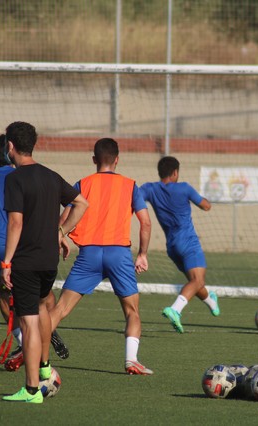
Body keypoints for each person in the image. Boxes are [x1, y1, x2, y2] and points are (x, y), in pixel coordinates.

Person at [0, 135, 71, 374]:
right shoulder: (26, 176)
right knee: (42, 299)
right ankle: (45, 332)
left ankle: (25, 343)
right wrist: (58, 233)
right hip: (29, 244)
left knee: (5, 297)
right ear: (11, 151)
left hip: (0, 246)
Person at [49, 137, 153, 375]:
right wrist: (143, 254)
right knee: (132, 312)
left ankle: (29, 349)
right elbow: (145, 223)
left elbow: (64, 219)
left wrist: (60, 236)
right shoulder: (130, 185)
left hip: (89, 255)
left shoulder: (82, 184)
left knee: (61, 308)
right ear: (117, 160)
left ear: (94, 160)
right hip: (119, 255)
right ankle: (131, 360)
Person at [1, 122, 88, 403]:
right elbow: (82, 204)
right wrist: (61, 233)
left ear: (11, 146)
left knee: (27, 324)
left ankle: (31, 390)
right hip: (49, 260)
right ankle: (46, 367)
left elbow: (16, 222)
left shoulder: (14, 179)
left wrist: (6, 262)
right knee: (40, 313)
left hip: (26, 261)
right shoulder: (51, 176)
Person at [140, 156, 219, 334]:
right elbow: (206, 206)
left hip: (172, 246)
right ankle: (175, 310)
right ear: (175, 172)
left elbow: (135, 199)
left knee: (195, 281)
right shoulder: (184, 188)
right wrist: (206, 200)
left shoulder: (150, 189)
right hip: (189, 242)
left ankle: (211, 301)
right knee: (197, 280)